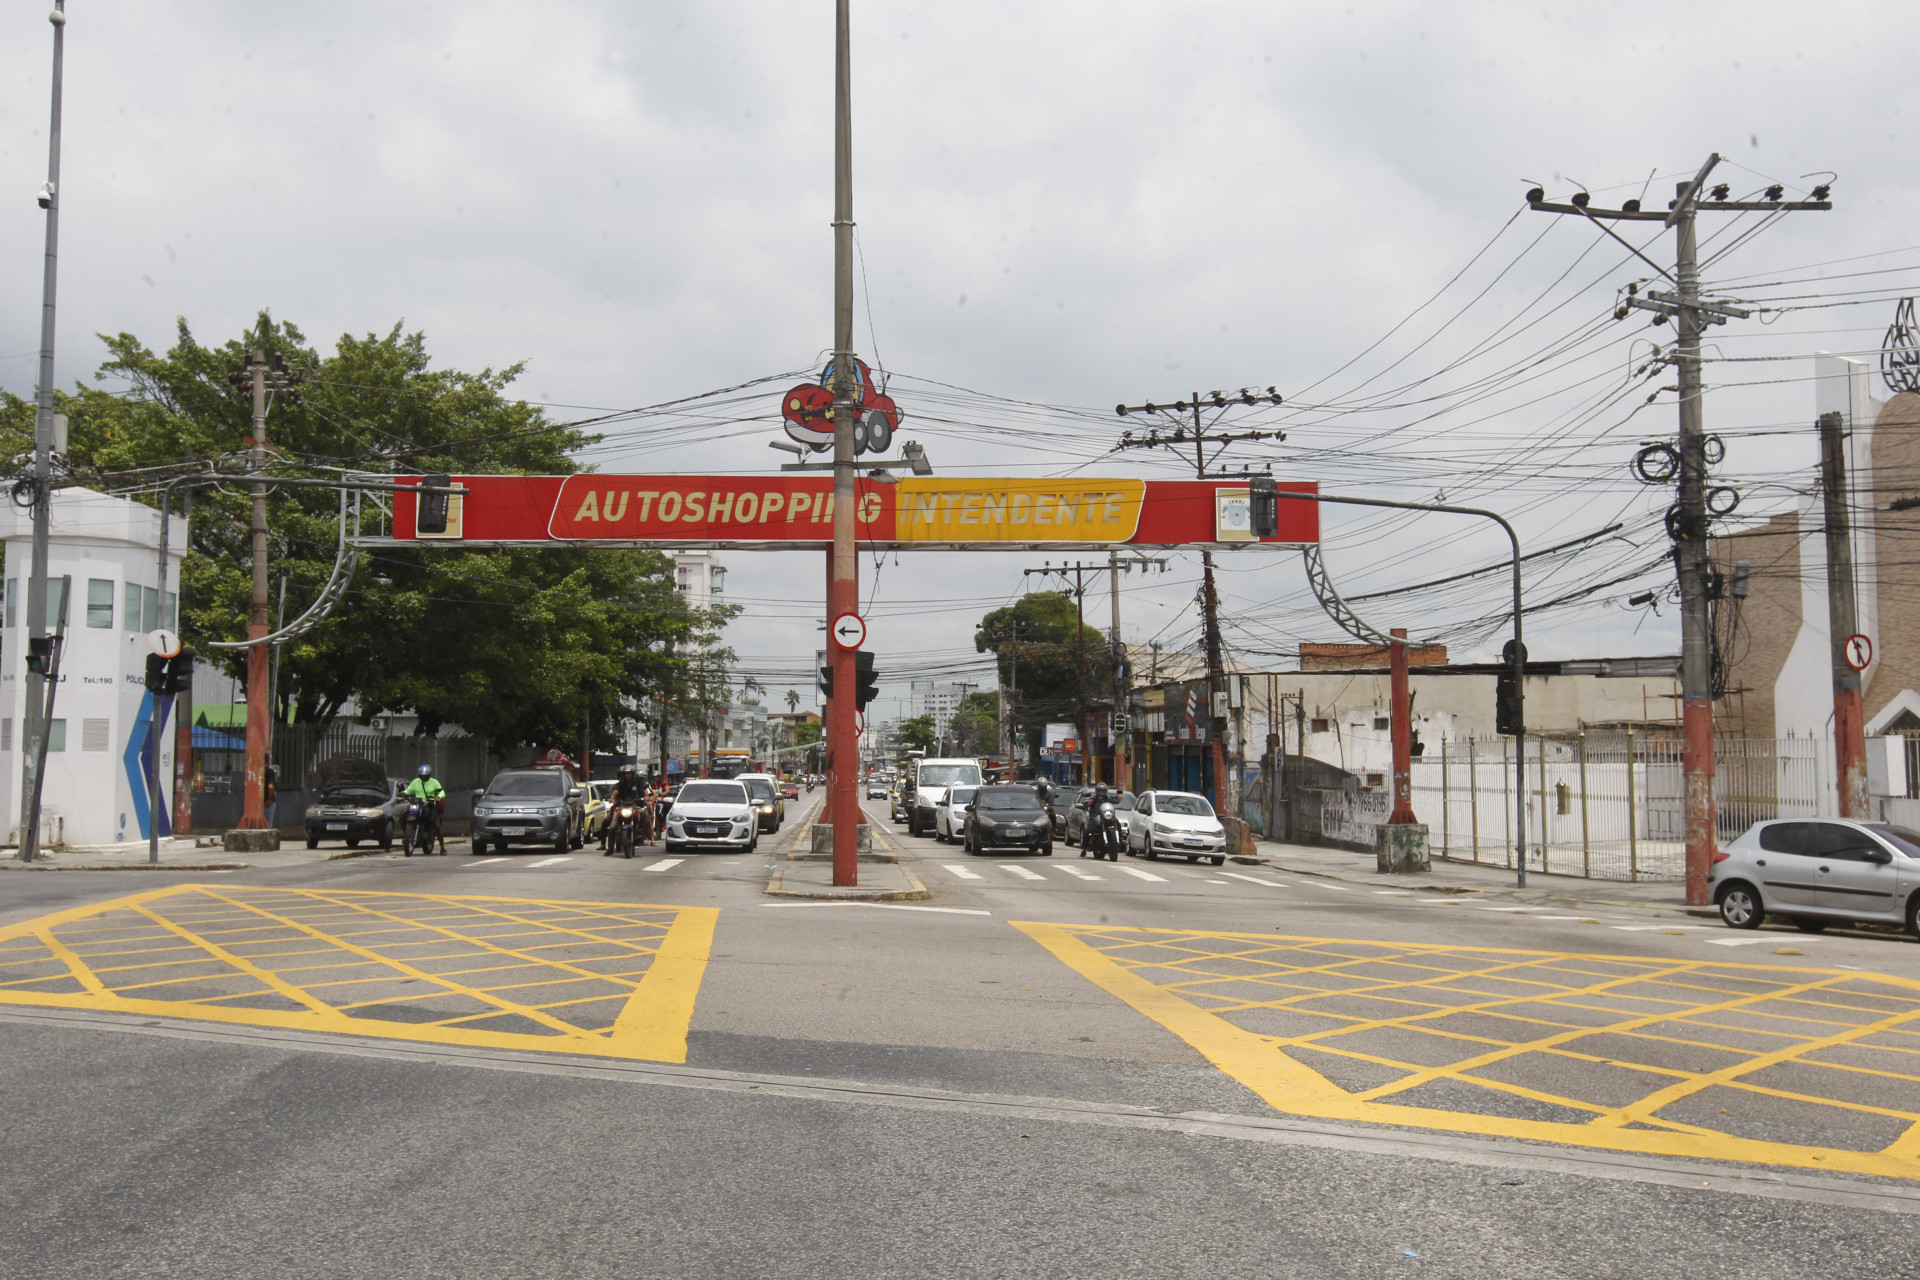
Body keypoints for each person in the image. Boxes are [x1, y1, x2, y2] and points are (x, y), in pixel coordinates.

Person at [602, 765, 648, 854]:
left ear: (633, 774)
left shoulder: (638, 782)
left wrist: (646, 797)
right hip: (622, 807)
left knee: (643, 814)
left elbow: (645, 791)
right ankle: (610, 848)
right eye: (626, 773)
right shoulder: (620, 784)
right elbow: (615, 792)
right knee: (612, 827)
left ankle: (642, 834)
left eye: (629, 773)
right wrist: (612, 798)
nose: (628, 775)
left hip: (635, 806)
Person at [402, 763, 447, 853]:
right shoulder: (415, 782)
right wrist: (403, 793)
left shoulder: (434, 782)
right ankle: (407, 835)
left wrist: (438, 797)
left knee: (437, 824)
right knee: (403, 814)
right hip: (417, 804)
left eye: (426, 776)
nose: (424, 777)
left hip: (429, 806)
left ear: (429, 775)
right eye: (422, 776)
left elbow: (442, 792)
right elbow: (408, 790)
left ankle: (442, 847)